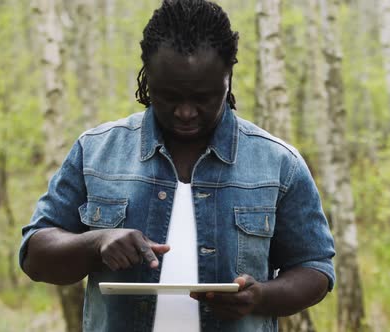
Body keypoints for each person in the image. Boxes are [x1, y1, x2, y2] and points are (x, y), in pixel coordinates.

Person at [19, 0, 335, 331]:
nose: (185, 112)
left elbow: (315, 268)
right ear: (146, 77)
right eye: (168, 96)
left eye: (203, 97)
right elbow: (35, 255)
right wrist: (96, 243)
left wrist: (261, 297)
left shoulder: (278, 163)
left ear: (228, 78)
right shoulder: (96, 152)